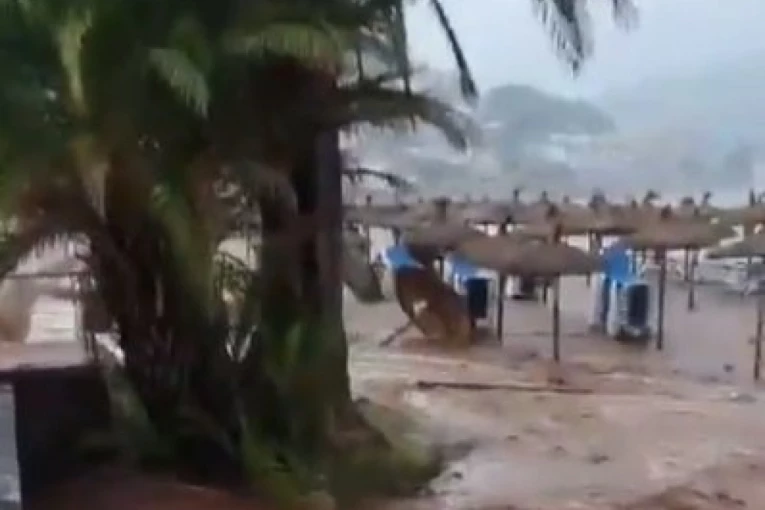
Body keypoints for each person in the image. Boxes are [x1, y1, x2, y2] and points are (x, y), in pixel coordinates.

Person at [0, 254, 85, 343]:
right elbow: (48, 286)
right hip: (13, 319)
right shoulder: (18, 285)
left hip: (13, 313)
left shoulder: (17, 285)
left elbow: (47, 285)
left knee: (39, 280)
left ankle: (74, 260)